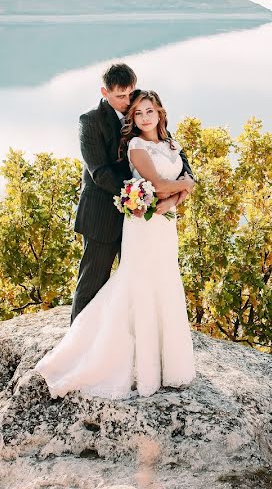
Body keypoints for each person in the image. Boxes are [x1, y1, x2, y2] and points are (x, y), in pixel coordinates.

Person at [34, 89, 197, 399]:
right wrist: (182, 187)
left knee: (162, 282)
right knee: (120, 281)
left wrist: (175, 197)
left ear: (159, 112)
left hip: (163, 225)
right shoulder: (133, 144)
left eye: (149, 111)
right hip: (138, 222)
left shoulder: (169, 142)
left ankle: (165, 361)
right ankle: (87, 345)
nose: (144, 116)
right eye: (138, 113)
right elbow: (157, 185)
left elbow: (180, 176)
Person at [68, 63, 193, 325]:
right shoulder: (90, 121)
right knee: (92, 282)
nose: (127, 102)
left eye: (130, 93)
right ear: (105, 92)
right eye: (120, 96)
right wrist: (143, 194)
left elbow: (173, 151)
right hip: (102, 214)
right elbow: (99, 172)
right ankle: (78, 342)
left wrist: (179, 190)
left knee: (137, 285)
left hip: (142, 223)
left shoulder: (142, 109)